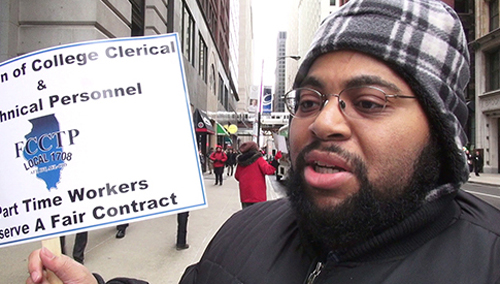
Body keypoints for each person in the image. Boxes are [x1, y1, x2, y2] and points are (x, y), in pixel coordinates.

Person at [26, 1, 500, 283]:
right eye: (310, 100)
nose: (323, 123)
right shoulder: (242, 232)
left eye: (370, 102)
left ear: (440, 129)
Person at [234, 142, 279, 209]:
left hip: (245, 194)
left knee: (247, 215)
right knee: (258, 216)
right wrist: (276, 159)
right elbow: (268, 170)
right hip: (258, 195)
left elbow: (237, 176)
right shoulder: (258, 159)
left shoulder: (241, 162)